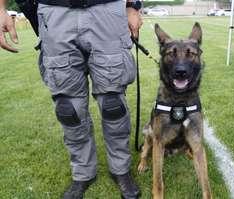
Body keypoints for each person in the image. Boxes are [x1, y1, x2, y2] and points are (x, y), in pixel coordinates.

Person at [0, 0, 143, 198]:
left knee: (113, 104)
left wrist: (133, 6)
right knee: (68, 109)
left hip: (107, 10)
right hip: (55, 13)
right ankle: (83, 172)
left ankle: (120, 169)